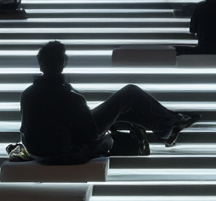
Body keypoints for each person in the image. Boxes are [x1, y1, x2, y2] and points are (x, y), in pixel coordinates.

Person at [20, 42, 200, 158]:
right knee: (129, 92)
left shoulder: (28, 94)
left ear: (41, 64)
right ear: (63, 64)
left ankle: (169, 126)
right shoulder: (71, 98)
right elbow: (89, 134)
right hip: (69, 152)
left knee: (121, 111)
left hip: (39, 152)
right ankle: (172, 122)